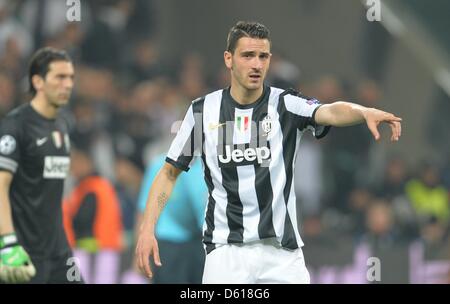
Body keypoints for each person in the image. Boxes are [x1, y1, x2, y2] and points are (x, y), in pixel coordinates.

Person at [136, 21, 402, 284]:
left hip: (282, 255)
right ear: (229, 59)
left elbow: (329, 111)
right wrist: (148, 229)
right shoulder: (202, 110)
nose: (256, 64)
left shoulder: (286, 105)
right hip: (227, 253)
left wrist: (363, 111)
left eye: (263, 56)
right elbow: (169, 173)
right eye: (248, 55)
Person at [0, 47, 83, 283]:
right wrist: (7, 243)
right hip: (24, 250)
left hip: (59, 252)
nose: (68, 84)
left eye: (71, 78)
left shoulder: (62, 125)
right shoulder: (15, 126)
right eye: (60, 77)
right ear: (38, 81)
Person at [135, 153, 207, 283]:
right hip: (168, 243)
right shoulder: (161, 166)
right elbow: (143, 210)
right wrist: (139, 252)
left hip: (199, 242)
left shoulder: (206, 166)